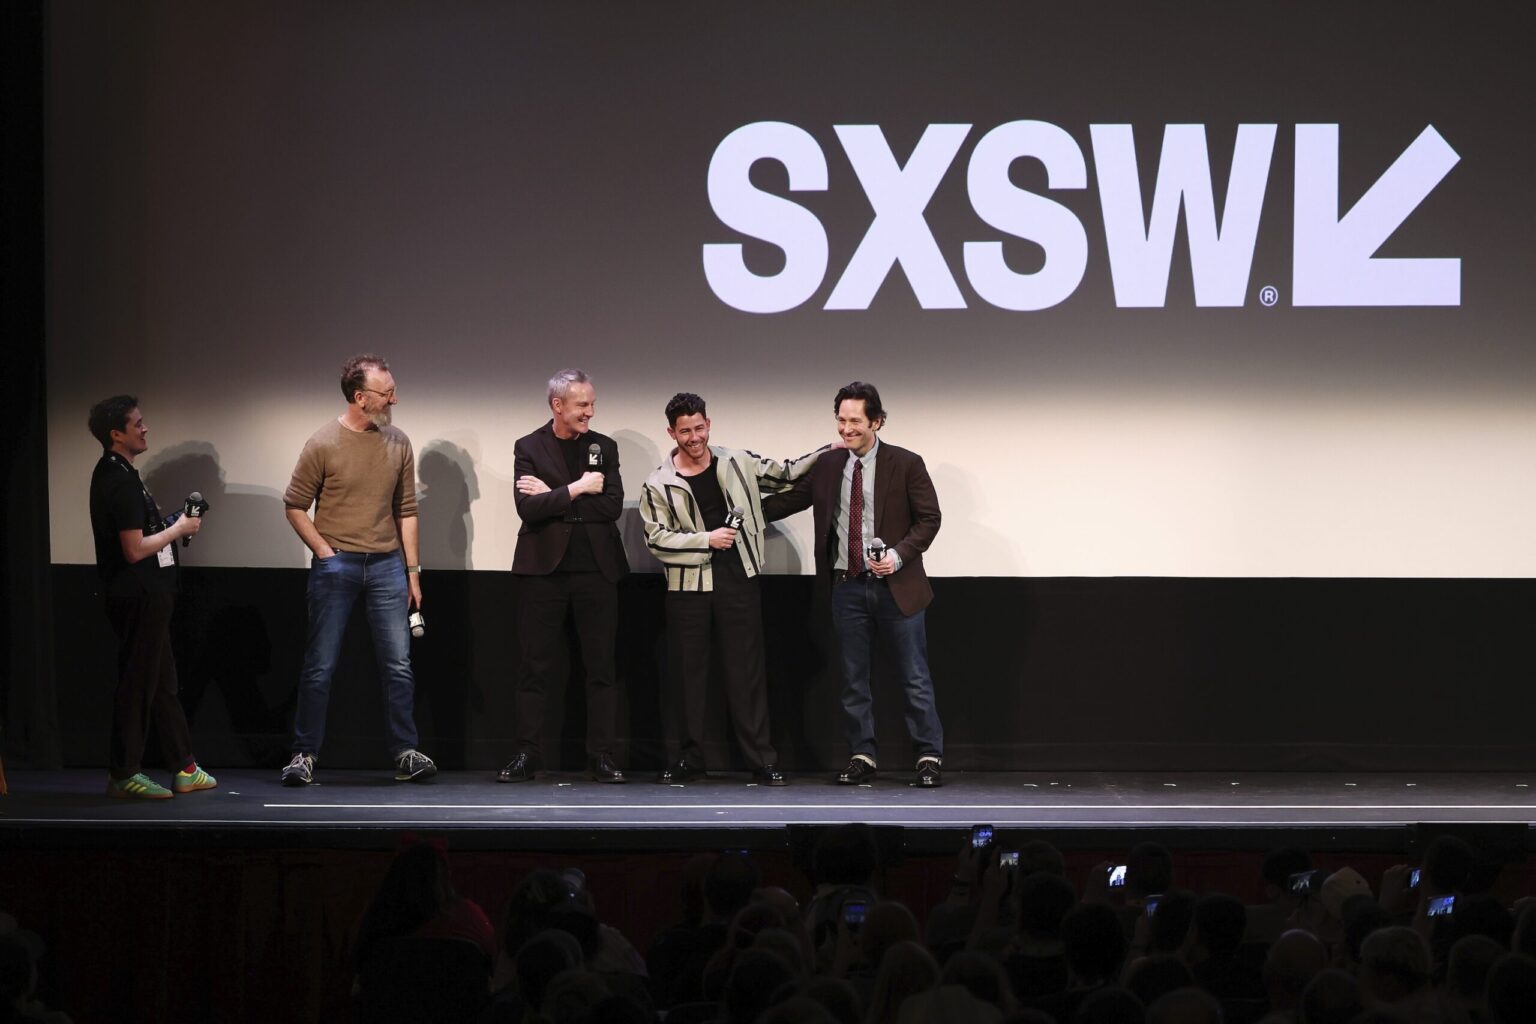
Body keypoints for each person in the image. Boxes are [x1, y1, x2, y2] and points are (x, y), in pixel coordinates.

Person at [640, 391, 834, 786]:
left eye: (698, 428)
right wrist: (705, 541)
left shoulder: (737, 461)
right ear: (671, 433)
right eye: (684, 432)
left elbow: (786, 473)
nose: (693, 438)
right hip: (687, 588)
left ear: (708, 424)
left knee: (746, 672)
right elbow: (656, 540)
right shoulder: (659, 483)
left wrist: (825, 451)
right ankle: (688, 759)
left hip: (738, 579)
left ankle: (760, 759)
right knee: (688, 675)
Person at [762, 382, 944, 787]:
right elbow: (789, 500)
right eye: (841, 420)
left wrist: (897, 555)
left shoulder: (906, 463)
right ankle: (862, 755)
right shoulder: (830, 465)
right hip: (847, 587)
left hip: (897, 587)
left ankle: (928, 755)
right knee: (852, 677)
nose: (846, 429)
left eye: (855, 421)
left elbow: (929, 519)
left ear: (876, 421)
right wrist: (730, 506)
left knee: (914, 676)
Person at [280, 354, 436, 786]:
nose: (395, 399)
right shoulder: (323, 442)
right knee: (320, 665)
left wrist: (413, 573)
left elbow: (406, 510)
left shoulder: (398, 442)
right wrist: (325, 553)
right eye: (387, 393)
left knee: (398, 665)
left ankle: (405, 752)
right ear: (360, 397)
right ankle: (304, 754)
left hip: (387, 564)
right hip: (339, 563)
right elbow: (294, 505)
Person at [499, 369, 628, 783]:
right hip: (543, 573)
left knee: (601, 668)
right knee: (534, 667)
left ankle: (602, 756)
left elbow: (610, 506)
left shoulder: (603, 447)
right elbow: (528, 509)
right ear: (558, 405)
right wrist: (577, 489)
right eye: (582, 405)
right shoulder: (529, 446)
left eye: (592, 404)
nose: (590, 412)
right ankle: (527, 753)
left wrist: (553, 494)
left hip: (597, 571)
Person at [86, 395, 217, 800]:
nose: (145, 429)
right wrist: (178, 531)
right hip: (138, 594)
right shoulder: (118, 479)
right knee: (138, 685)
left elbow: (143, 535)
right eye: (137, 424)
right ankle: (125, 773)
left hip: (150, 593)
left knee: (162, 684)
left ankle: (184, 766)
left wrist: (176, 521)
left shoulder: (123, 473)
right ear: (116, 434)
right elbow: (134, 549)